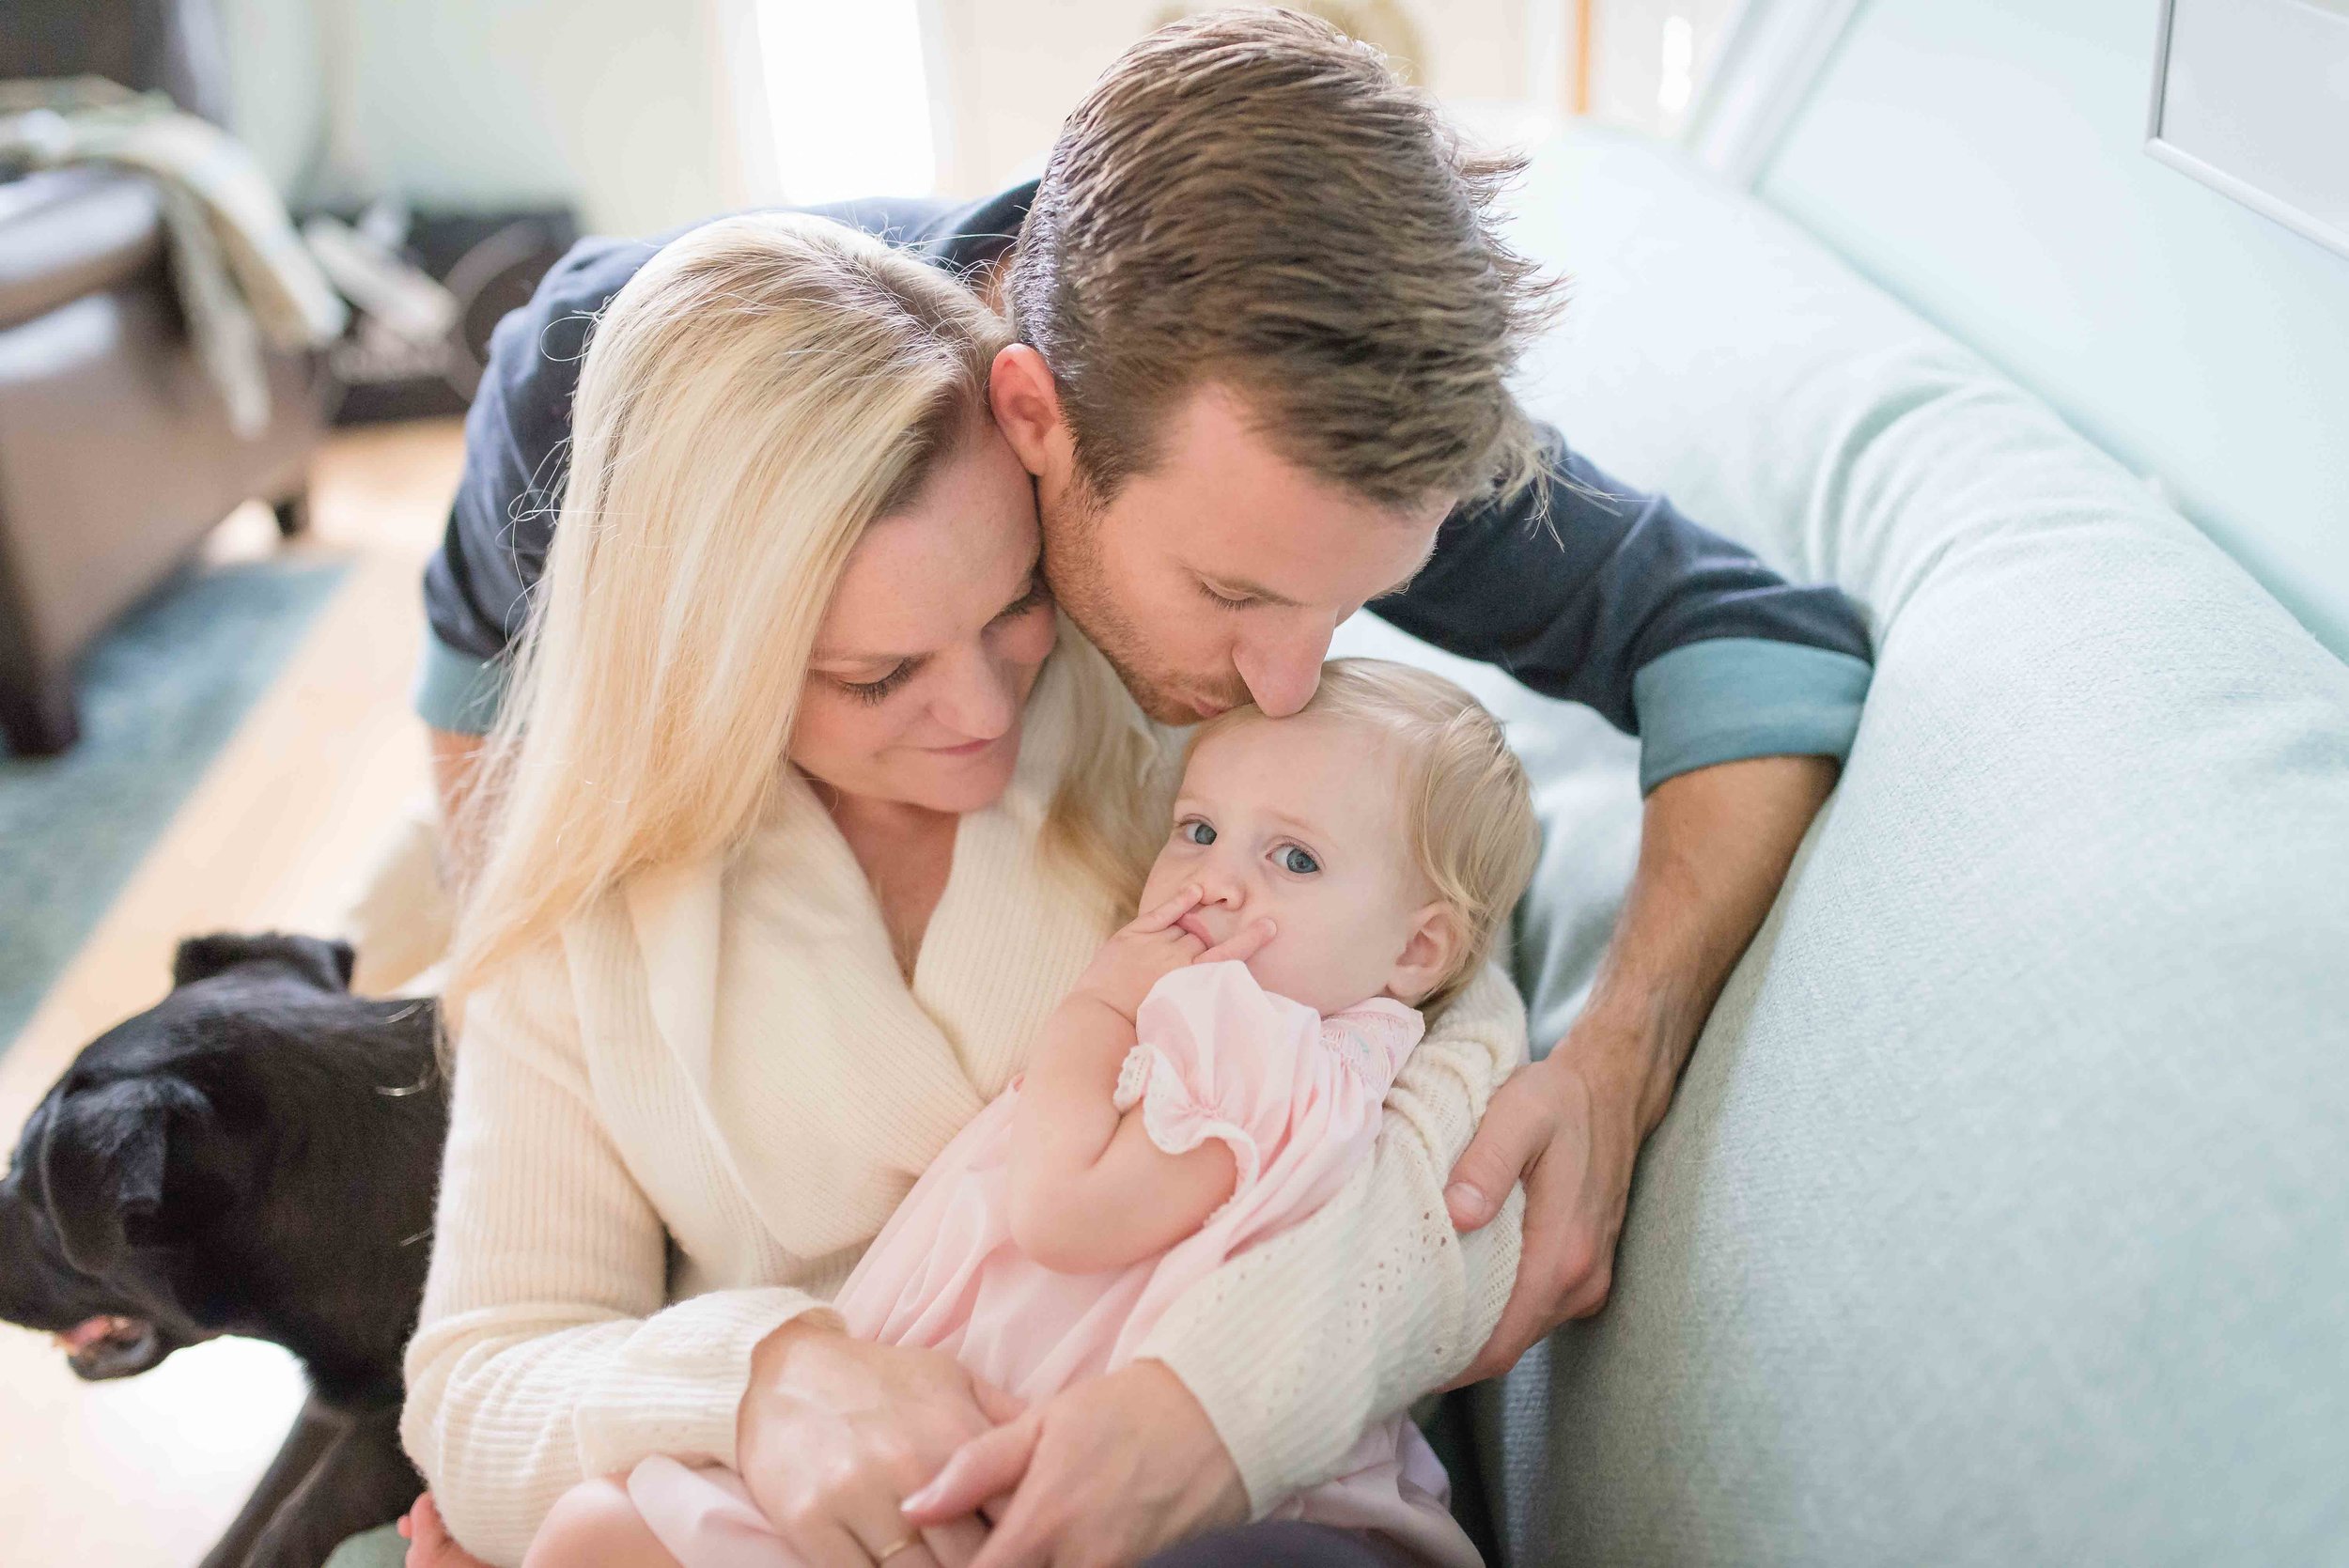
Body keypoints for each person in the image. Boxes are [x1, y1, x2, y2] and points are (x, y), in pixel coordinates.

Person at [408, 11, 1874, 1560]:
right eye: (1234, 591)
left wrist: (1616, 1062)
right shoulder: (592, 394)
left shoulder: (1245, 746)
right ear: (1034, 423)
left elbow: (1743, 644)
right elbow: (517, 765)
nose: (1294, 677)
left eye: (1354, 599)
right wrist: (718, 1334)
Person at [399, 211, 1531, 1568]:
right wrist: (758, 1380)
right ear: (704, 659)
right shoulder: (591, 927)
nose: (982, 709)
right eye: (877, 677)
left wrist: (1212, 1403)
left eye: (1012, 608)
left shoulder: (1203, 757)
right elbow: (476, 1381)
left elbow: (1454, 1090)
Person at [524, 661, 1541, 1568]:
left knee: (595, 1535)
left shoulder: (1251, 1038)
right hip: (951, 1455)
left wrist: (1096, 1009)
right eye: (1198, 830)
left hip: (1060, 1482)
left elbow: (1065, 1214)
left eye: (1295, 860)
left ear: (1419, 953)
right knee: (596, 1530)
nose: (1213, 880)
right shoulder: (1298, 1042)